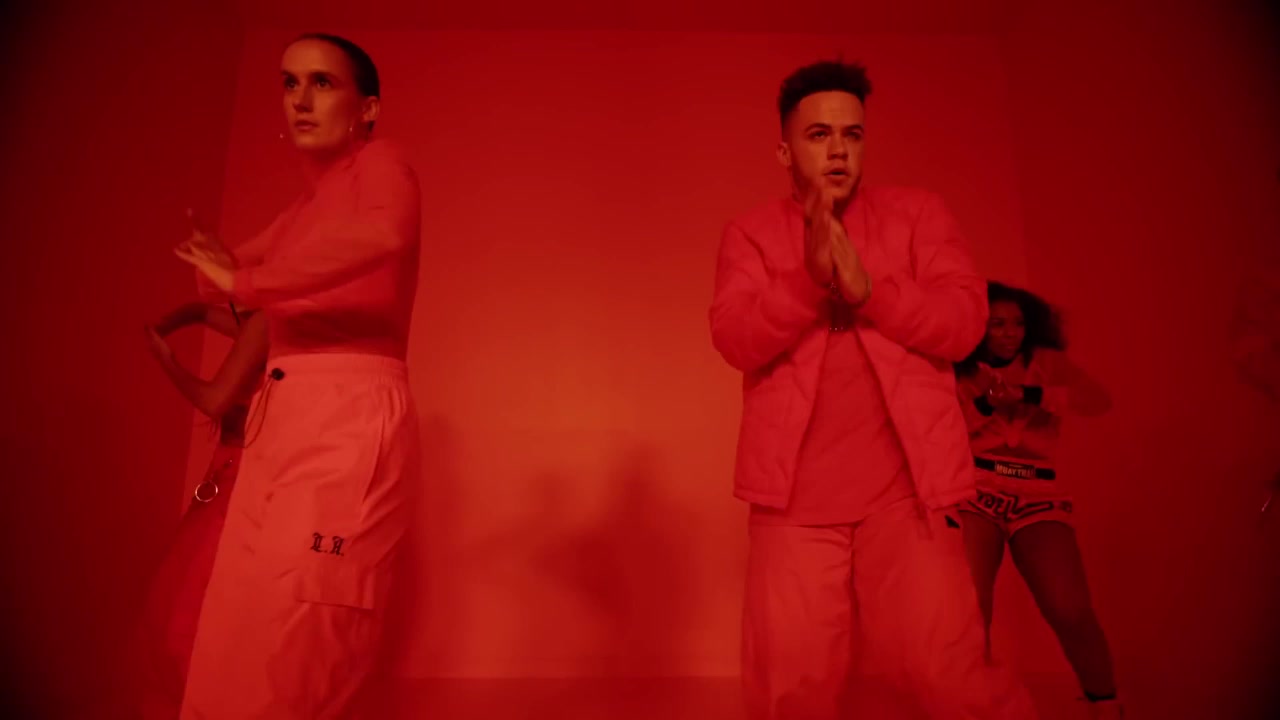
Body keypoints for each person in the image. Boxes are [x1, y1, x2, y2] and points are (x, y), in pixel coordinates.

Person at [709, 60, 1039, 719]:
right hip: (793, 506)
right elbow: (734, 337)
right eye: (819, 134)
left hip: (909, 495)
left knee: (948, 678)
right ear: (785, 150)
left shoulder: (917, 216)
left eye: (852, 134)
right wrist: (808, 281)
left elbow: (963, 324)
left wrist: (871, 292)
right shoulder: (751, 233)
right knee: (790, 694)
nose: (838, 150)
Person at [173, 32, 422, 719]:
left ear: (367, 108)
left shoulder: (384, 163)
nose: (300, 99)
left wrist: (245, 280)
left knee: (308, 616)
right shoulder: (302, 212)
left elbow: (385, 236)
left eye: (322, 82)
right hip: (281, 411)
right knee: (239, 613)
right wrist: (216, 264)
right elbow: (226, 279)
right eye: (288, 83)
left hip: (349, 414)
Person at [956, 282, 1121, 719]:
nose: (1010, 333)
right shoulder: (960, 366)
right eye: (997, 324)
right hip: (977, 490)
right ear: (977, 326)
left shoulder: (1045, 363)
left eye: (1018, 324)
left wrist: (1031, 395)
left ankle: (1106, 704)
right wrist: (988, 404)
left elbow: (1097, 400)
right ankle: (970, 705)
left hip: (1039, 495)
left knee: (1070, 608)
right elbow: (944, 425)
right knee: (970, 611)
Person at [137, 303, 268, 719]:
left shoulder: (268, 322)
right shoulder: (267, 322)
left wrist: (167, 359)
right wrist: (182, 317)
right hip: (230, 468)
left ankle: (194, 704)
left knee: (189, 600)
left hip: (241, 474)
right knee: (182, 594)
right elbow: (215, 315)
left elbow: (214, 400)